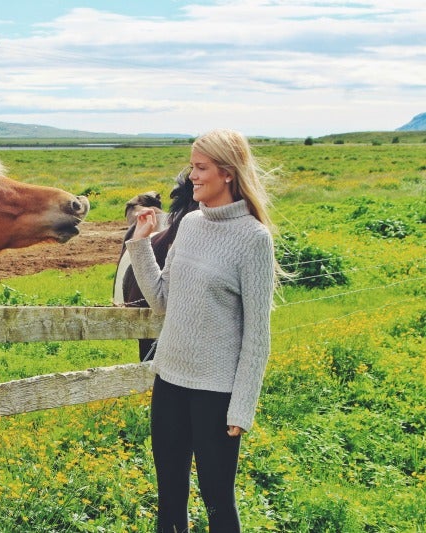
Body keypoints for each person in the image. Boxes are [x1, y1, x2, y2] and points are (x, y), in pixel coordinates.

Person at [125, 129, 278, 532]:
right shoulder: (190, 224)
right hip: (170, 383)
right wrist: (139, 244)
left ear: (227, 173)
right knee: (169, 500)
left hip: (217, 393)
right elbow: (162, 300)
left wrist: (242, 406)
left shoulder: (253, 239)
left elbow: (258, 334)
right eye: (191, 166)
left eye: (201, 167)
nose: (191, 176)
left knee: (217, 504)